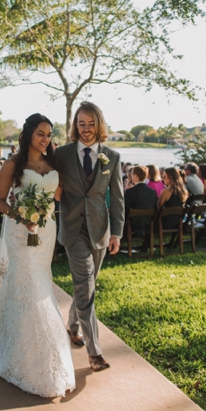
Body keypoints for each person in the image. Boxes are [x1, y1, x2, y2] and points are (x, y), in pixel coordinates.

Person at [0, 113, 76, 398]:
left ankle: (15, 327)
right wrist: (21, 216)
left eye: (49, 134)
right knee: (31, 283)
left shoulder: (53, 163)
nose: (45, 139)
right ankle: (35, 352)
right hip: (20, 232)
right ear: (28, 134)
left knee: (38, 281)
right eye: (40, 133)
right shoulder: (13, 164)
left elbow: (58, 195)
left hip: (46, 231)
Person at [54, 101, 123, 373]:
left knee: (87, 286)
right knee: (86, 288)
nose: (85, 129)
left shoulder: (112, 157)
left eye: (90, 123)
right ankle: (95, 353)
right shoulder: (61, 154)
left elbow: (117, 199)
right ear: (75, 126)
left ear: (99, 125)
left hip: (100, 232)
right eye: (81, 124)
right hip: (73, 231)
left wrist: (116, 232)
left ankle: (72, 326)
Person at [125, 165, 158, 239]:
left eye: (132, 174)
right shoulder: (152, 192)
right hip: (148, 222)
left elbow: (125, 209)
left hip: (133, 223)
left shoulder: (130, 192)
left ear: (136, 176)